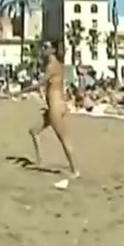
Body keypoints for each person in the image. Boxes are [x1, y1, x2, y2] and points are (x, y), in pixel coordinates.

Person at [28, 43, 79, 188]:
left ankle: (75, 170)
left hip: (56, 107)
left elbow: (40, 84)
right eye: (42, 47)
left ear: (53, 50)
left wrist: (21, 90)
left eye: (45, 47)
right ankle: (40, 161)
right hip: (55, 106)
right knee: (34, 130)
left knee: (64, 139)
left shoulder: (53, 66)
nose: (42, 49)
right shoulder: (57, 65)